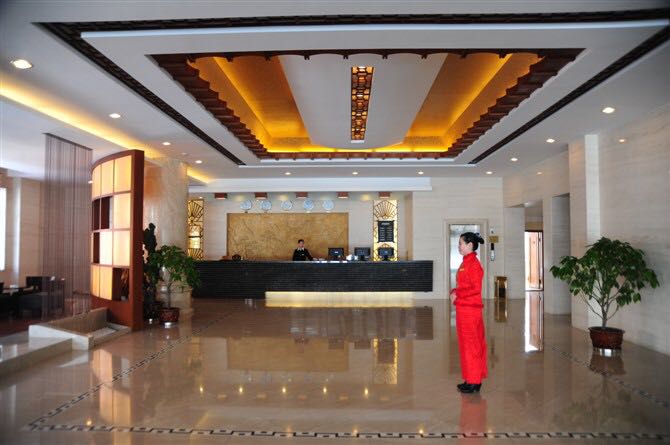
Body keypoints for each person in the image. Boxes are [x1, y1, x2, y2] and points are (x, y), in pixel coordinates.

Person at [449, 232, 488, 393]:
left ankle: (474, 381)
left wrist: (458, 293)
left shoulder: (474, 264)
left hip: (470, 310)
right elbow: (464, 285)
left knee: (472, 345)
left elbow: (475, 289)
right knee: (465, 345)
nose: (458, 246)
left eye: (461, 243)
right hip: (464, 308)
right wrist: (455, 291)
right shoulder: (466, 262)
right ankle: (469, 378)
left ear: (470, 245)